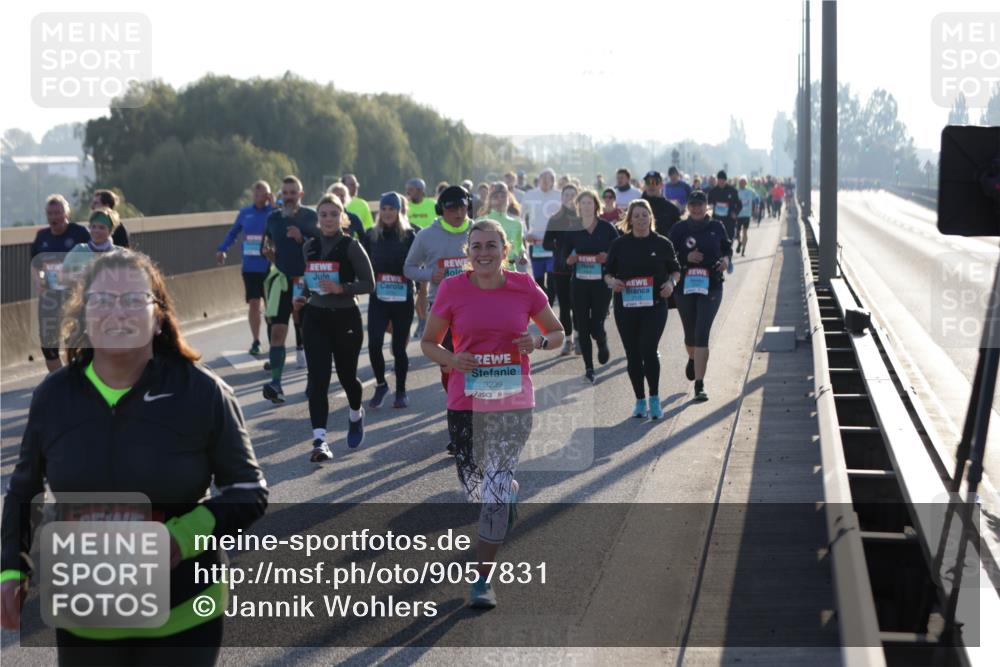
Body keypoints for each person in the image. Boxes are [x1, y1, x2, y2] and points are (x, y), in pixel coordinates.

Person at [0, 250, 267, 665]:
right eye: (102, 300)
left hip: (184, 612)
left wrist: (182, 537)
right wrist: (12, 569)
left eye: (132, 300)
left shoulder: (202, 392)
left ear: (158, 317)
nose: (117, 311)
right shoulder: (54, 396)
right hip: (85, 615)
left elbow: (248, 490)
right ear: (84, 316)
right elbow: (24, 490)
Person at [420, 218, 564, 609]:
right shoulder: (452, 288)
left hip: (513, 401)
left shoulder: (524, 286)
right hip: (465, 401)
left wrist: (536, 341)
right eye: (477, 246)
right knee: (476, 490)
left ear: (505, 250)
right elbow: (428, 343)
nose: (484, 253)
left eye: (491, 246)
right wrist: (453, 359)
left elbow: (558, 333)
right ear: (467, 253)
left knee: (494, 491)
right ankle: (506, 491)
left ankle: (482, 579)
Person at [296, 193, 374, 460]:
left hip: (345, 318)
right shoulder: (309, 246)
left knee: (346, 376)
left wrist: (342, 288)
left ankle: (355, 413)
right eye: (323, 214)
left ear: (343, 218)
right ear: (317, 219)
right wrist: (302, 296)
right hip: (315, 317)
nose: (328, 219)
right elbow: (310, 281)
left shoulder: (351, 246)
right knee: (318, 379)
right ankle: (320, 441)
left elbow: (369, 283)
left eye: (333, 214)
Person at [405, 185, 476, 454]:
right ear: (440, 210)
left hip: (477, 309)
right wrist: (429, 275)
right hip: (443, 310)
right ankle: (460, 421)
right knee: (450, 368)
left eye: (462, 207)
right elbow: (409, 267)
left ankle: (468, 427)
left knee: (474, 367)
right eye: (451, 208)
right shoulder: (426, 236)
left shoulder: (479, 231)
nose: (458, 213)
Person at [604, 199, 681, 420]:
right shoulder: (619, 244)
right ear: (630, 220)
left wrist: (671, 284)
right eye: (636, 216)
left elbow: (675, 271)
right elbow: (607, 273)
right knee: (633, 354)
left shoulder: (662, 243)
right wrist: (612, 282)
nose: (640, 219)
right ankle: (640, 400)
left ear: (651, 218)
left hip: (654, 305)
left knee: (648, 349)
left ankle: (654, 398)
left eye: (644, 215)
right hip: (626, 306)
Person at [260, 175, 319, 403]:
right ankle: (276, 384)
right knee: (277, 332)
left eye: (293, 193)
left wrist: (302, 238)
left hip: (306, 283)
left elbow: (322, 247)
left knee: (309, 335)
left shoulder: (311, 217)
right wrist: (269, 254)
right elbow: (269, 245)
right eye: (285, 193)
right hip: (283, 282)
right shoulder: (273, 218)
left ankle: (313, 380)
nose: (288, 197)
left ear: (301, 195)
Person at [669, 190, 732, 402]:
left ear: (707, 206)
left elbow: (727, 249)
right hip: (685, 286)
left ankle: (699, 384)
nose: (696, 208)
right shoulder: (679, 228)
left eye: (700, 205)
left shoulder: (717, 226)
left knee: (702, 332)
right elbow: (668, 255)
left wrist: (725, 261)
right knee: (690, 335)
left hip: (711, 285)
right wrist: (686, 257)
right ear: (688, 207)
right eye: (693, 205)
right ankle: (692, 357)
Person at [363, 192, 417, 410]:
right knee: (374, 344)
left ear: (398, 211)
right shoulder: (370, 235)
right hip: (379, 298)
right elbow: (361, 263)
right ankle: (381, 384)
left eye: (391, 209)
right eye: (384, 209)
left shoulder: (410, 235)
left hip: (403, 298)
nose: (387, 213)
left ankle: (401, 391)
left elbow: (418, 265)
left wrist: (420, 289)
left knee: (398, 348)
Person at [563, 190, 620, 382]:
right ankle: (589, 368)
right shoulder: (573, 229)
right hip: (579, 284)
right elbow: (563, 257)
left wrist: (608, 257)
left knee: (596, 325)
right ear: (578, 207)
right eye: (583, 203)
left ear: (596, 205)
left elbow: (618, 252)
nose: (586, 206)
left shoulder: (607, 228)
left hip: (601, 284)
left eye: (589, 203)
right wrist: (569, 260)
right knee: (582, 326)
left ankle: (601, 340)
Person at [30, 194, 91, 372]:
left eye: (58, 213)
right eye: (50, 213)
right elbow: (35, 264)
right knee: (48, 345)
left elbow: (93, 259)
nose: (54, 217)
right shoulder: (42, 236)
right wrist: (38, 283)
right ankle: (58, 380)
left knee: (74, 341)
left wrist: (79, 279)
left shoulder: (79, 233)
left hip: (74, 296)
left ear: (66, 214)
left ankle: (80, 378)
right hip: (50, 297)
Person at [216, 180, 274, 356]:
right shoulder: (245, 213)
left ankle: (274, 342)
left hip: (270, 266)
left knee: (271, 306)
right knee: (254, 303)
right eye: (256, 193)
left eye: (264, 193)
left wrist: (274, 205)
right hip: (250, 266)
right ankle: (256, 341)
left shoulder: (273, 212)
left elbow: (283, 222)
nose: (260, 196)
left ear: (269, 195)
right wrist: (222, 249)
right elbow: (233, 232)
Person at [542, 184, 581, 356]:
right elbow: (546, 243)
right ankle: (568, 340)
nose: (569, 198)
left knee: (578, 305)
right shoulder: (555, 219)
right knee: (564, 307)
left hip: (581, 268)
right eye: (566, 195)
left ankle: (579, 338)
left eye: (573, 194)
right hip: (560, 268)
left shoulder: (583, 217)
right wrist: (560, 248)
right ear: (562, 197)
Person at [520, 168, 562, 304]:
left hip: (552, 244)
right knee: (538, 280)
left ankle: (549, 306)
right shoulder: (530, 195)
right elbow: (521, 217)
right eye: (543, 178)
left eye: (549, 178)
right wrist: (526, 233)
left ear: (553, 181)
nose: (545, 181)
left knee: (552, 278)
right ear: (538, 180)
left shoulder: (559, 196)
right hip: (536, 243)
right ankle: (543, 304)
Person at [477, 182, 529, 273]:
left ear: (509, 199)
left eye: (503, 196)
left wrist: (523, 255)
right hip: (487, 270)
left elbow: (519, 246)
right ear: (490, 200)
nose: (500, 200)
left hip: (510, 270)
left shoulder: (516, 223)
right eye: (496, 197)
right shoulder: (480, 222)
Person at [62, 208, 124, 280]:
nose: (96, 231)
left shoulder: (120, 253)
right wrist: (81, 276)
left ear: (111, 231)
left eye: (102, 228)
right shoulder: (78, 250)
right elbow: (62, 277)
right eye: (93, 227)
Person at [707, 169, 741, 246]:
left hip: (729, 222)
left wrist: (735, 213)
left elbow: (739, 205)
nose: (721, 182)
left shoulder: (733, 191)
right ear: (717, 180)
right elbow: (708, 206)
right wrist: (708, 216)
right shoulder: (712, 192)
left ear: (726, 180)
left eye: (723, 180)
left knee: (729, 243)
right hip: (716, 221)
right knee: (717, 244)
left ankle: (728, 253)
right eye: (719, 180)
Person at [640, 170, 681, 236]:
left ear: (662, 185)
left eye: (655, 182)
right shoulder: (636, 207)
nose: (651, 185)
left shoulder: (671, 209)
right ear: (644, 185)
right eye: (648, 182)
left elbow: (679, 234)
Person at [735, 177, 755, 256]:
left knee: (745, 232)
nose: (742, 184)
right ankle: (739, 242)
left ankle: (743, 249)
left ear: (746, 183)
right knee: (737, 232)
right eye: (740, 183)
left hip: (747, 215)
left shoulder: (750, 191)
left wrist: (755, 208)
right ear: (739, 183)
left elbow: (756, 198)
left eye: (743, 183)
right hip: (739, 215)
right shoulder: (736, 192)